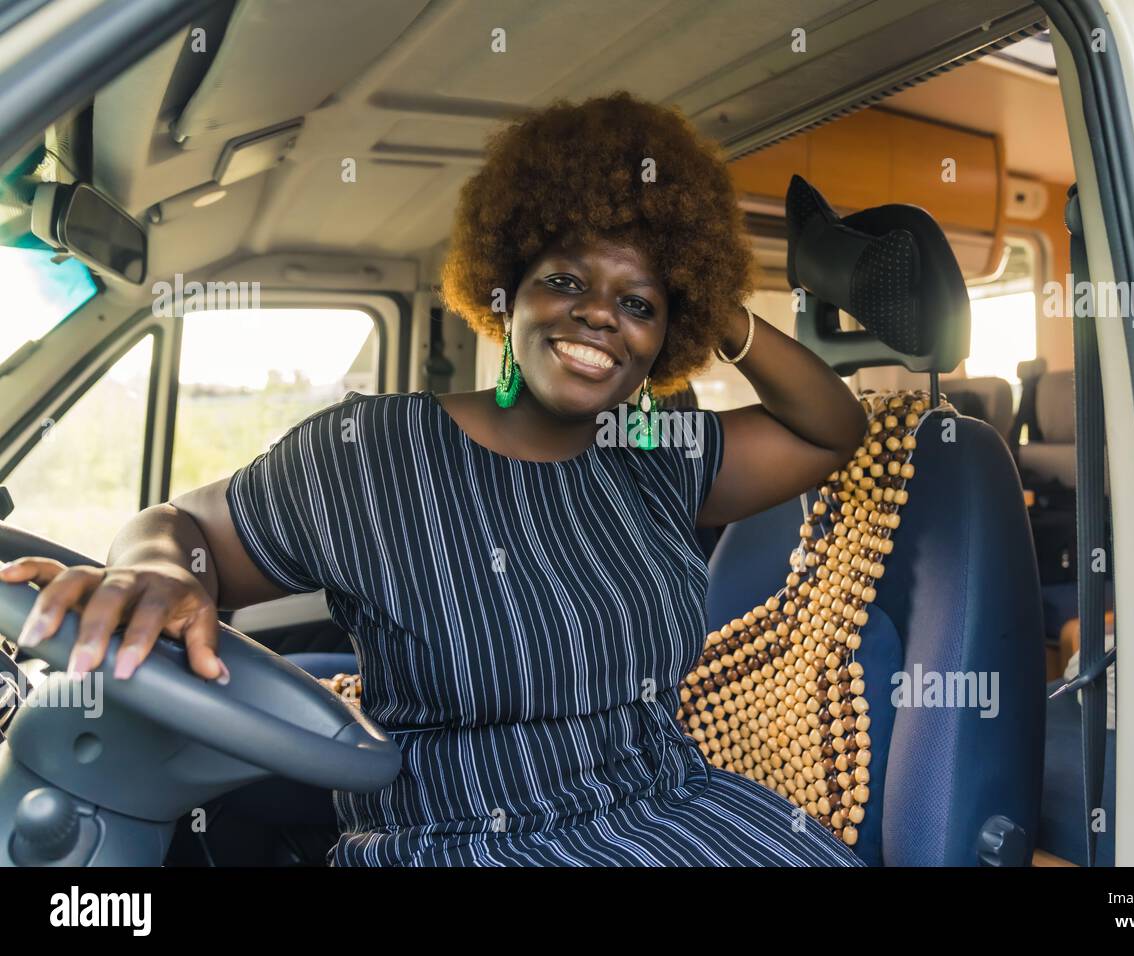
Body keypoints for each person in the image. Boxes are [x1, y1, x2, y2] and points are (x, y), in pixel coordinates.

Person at [1, 91, 868, 866]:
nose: (600, 312)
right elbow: (176, 525)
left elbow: (828, 428)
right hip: (455, 841)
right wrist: (155, 572)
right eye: (565, 280)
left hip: (682, 817)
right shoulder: (368, 451)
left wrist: (715, 311)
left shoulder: (655, 451)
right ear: (505, 292)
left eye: (639, 304)